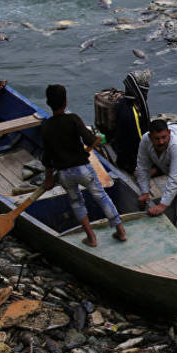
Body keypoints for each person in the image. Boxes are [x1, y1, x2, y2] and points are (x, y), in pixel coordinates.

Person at [41, 84, 127, 247]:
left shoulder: (46, 127)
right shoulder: (73, 119)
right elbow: (89, 140)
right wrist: (94, 139)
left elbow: (47, 157)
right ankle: (120, 231)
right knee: (101, 196)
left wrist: (48, 178)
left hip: (65, 174)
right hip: (82, 169)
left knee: (76, 202)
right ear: (65, 102)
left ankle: (91, 237)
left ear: (48, 103)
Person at [112, 70, 151, 174]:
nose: (148, 85)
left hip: (122, 153)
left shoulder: (123, 102)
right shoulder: (132, 113)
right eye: (145, 84)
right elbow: (140, 142)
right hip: (131, 161)